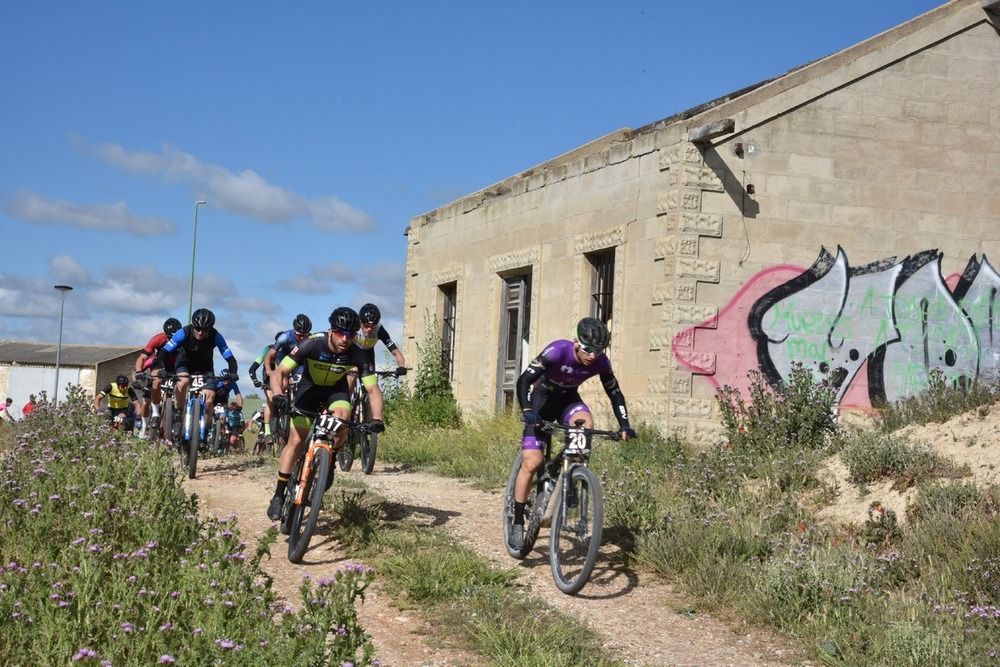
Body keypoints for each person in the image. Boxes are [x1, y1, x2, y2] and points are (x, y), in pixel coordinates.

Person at [507, 317, 636, 551]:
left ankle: (571, 477)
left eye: (598, 351)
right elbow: (525, 379)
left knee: (585, 424)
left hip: (568, 400)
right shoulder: (557, 351)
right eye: (588, 349)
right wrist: (527, 410)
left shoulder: (600, 362)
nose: (592, 356)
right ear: (576, 341)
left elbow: (615, 393)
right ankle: (517, 520)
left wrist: (624, 425)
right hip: (542, 400)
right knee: (533, 461)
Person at [265, 307, 385, 521]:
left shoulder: (357, 353)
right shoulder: (312, 343)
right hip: (308, 390)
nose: (345, 339)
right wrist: (277, 394)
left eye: (351, 334)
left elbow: (373, 390)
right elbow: (280, 372)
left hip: (335, 392)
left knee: (343, 418)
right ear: (331, 330)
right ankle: (278, 494)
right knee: (296, 439)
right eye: (341, 332)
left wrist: (377, 419)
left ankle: (330, 461)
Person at [150, 308, 239, 441]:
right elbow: (164, 352)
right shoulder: (183, 332)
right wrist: (162, 367)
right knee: (183, 382)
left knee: (209, 399)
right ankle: (178, 415)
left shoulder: (216, 336)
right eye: (197, 329)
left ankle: (206, 427)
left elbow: (230, 358)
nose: (200, 332)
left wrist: (233, 373)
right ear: (193, 325)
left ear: (210, 329)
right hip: (184, 363)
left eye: (205, 330)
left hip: (205, 367)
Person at [264, 314, 312, 443]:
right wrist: (269, 370)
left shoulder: (311, 339)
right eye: (299, 335)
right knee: (283, 381)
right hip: (283, 358)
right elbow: (269, 355)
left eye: (305, 335)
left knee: (303, 378)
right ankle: (279, 405)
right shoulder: (285, 336)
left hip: (299, 362)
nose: (302, 338)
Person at [134, 317, 182, 435]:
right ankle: (155, 414)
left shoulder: (183, 339)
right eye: (170, 337)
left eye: (174, 337)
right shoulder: (158, 339)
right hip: (160, 364)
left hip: (176, 365)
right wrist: (139, 372)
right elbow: (142, 358)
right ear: (165, 334)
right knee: (156, 379)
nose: (172, 340)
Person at [353, 303, 407, 383]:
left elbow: (396, 352)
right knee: (352, 375)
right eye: (366, 325)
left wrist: (401, 367)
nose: (369, 329)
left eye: (373, 326)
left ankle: (366, 394)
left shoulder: (380, 330)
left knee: (371, 382)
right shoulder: (354, 325)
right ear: (360, 322)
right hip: (353, 351)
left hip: (368, 352)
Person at [248, 337, 276, 444]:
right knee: (271, 400)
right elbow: (252, 368)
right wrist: (255, 380)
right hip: (268, 379)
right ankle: (268, 432)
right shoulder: (266, 350)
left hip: (282, 378)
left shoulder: (287, 351)